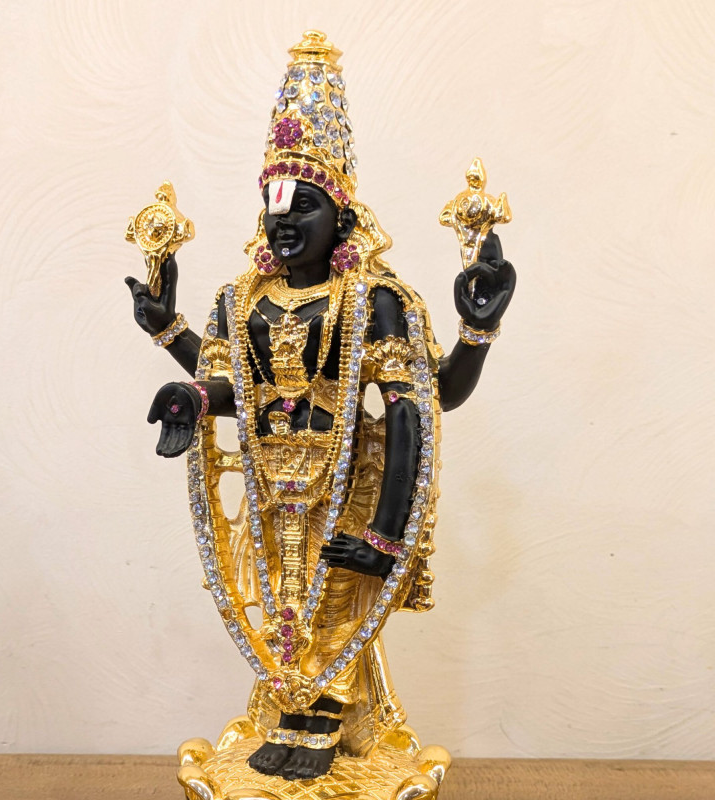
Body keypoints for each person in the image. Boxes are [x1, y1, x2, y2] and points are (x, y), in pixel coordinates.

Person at [125, 31, 515, 782]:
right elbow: (234, 386)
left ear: (342, 215)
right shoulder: (241, 299)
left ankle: (323, 724)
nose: (283, 221)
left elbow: (426, 402)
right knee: (282, 604)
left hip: (350, 485)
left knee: (334, 602)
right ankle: (291, 714)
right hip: (272, 486)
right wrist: (178, 362)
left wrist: (478, 332)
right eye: (272, 205)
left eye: (302, 204)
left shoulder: (374, 300)